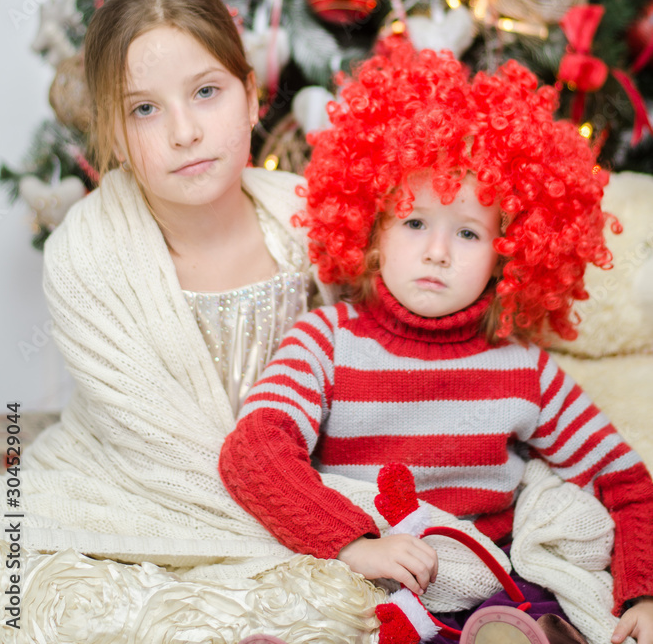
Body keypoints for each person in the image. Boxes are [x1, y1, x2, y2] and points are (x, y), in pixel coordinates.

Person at [0, 0, 382, 644]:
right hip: (130, 485)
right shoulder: (87, 256)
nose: (183, 132)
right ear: (110, 131)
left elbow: (380, 375)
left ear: (252, 97)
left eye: (206, 93)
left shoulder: (309, 223)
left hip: (301, 475)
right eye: (144, 110)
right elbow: (158, 450)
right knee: (45, 601)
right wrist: (328, 531)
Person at [219, 40, 653, 644]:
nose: (437, 251)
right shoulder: (328, 339)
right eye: (415, 220)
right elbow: (255, 452)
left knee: (517, 624)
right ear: (372, 228)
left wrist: (644, 590)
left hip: (482, 585)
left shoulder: (523, 369)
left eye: (469, 232)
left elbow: (625, 483)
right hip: (360, 571)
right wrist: (353, 543)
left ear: (510, 253)